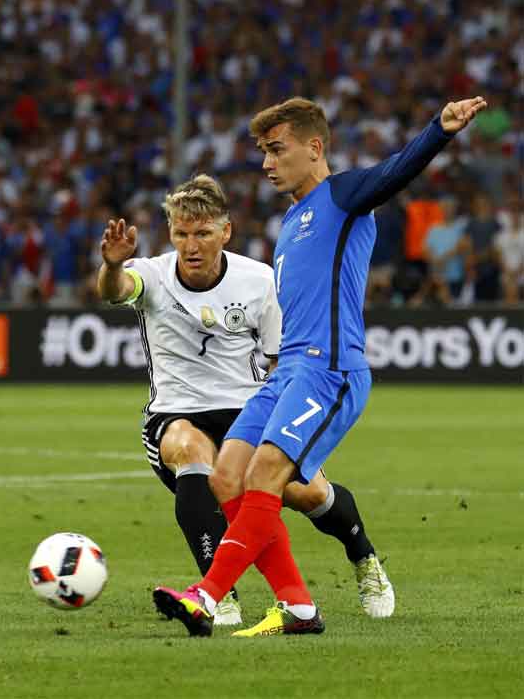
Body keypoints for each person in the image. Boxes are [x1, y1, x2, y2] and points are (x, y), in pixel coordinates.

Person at [154, 95, 487, 637]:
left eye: (276, 149)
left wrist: (439, 130)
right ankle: (300, 608)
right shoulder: (291, 220)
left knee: (265, 474)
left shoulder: (343, 195)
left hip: (329, 370)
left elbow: (396, 171)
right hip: (285, 372)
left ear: (313, 148)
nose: (266, 163)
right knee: (226, 476)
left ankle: (207, 597)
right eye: (263, 151)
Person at [97, 173, 393, 626]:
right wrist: (114, 266)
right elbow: (114, 291)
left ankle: (363, 555)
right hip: (175, 413)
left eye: (202, 233)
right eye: (180, 234)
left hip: (246, 410)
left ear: (225, 231)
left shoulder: (259, 281)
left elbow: (283, 363)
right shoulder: (152, 275)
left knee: (308, 493)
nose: (190, 245)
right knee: (190, 449)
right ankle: (222, 595)